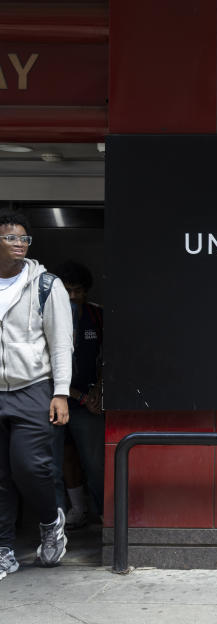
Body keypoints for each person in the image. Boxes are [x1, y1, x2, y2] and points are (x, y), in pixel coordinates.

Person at [0, 210, 72, 581]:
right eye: (11, 237)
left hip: (32, 388)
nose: (19, 244)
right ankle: (4, 549)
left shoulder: (45, 284)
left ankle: (49, 521)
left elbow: (61, 344)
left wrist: (60, 392)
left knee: (31, 466)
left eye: (24, 239)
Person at [51, 261, 103, 528]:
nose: (72, 296)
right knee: (63, 457)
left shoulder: (97, 316)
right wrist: (78, 396)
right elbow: (46, 365)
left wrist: (97, 390)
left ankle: (105, 514)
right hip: (55, 400)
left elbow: (111, 357)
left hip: (89, 403)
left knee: (94, 461)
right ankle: (76, 510)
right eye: (67, 290)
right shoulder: (45, 316)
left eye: (78, 291)